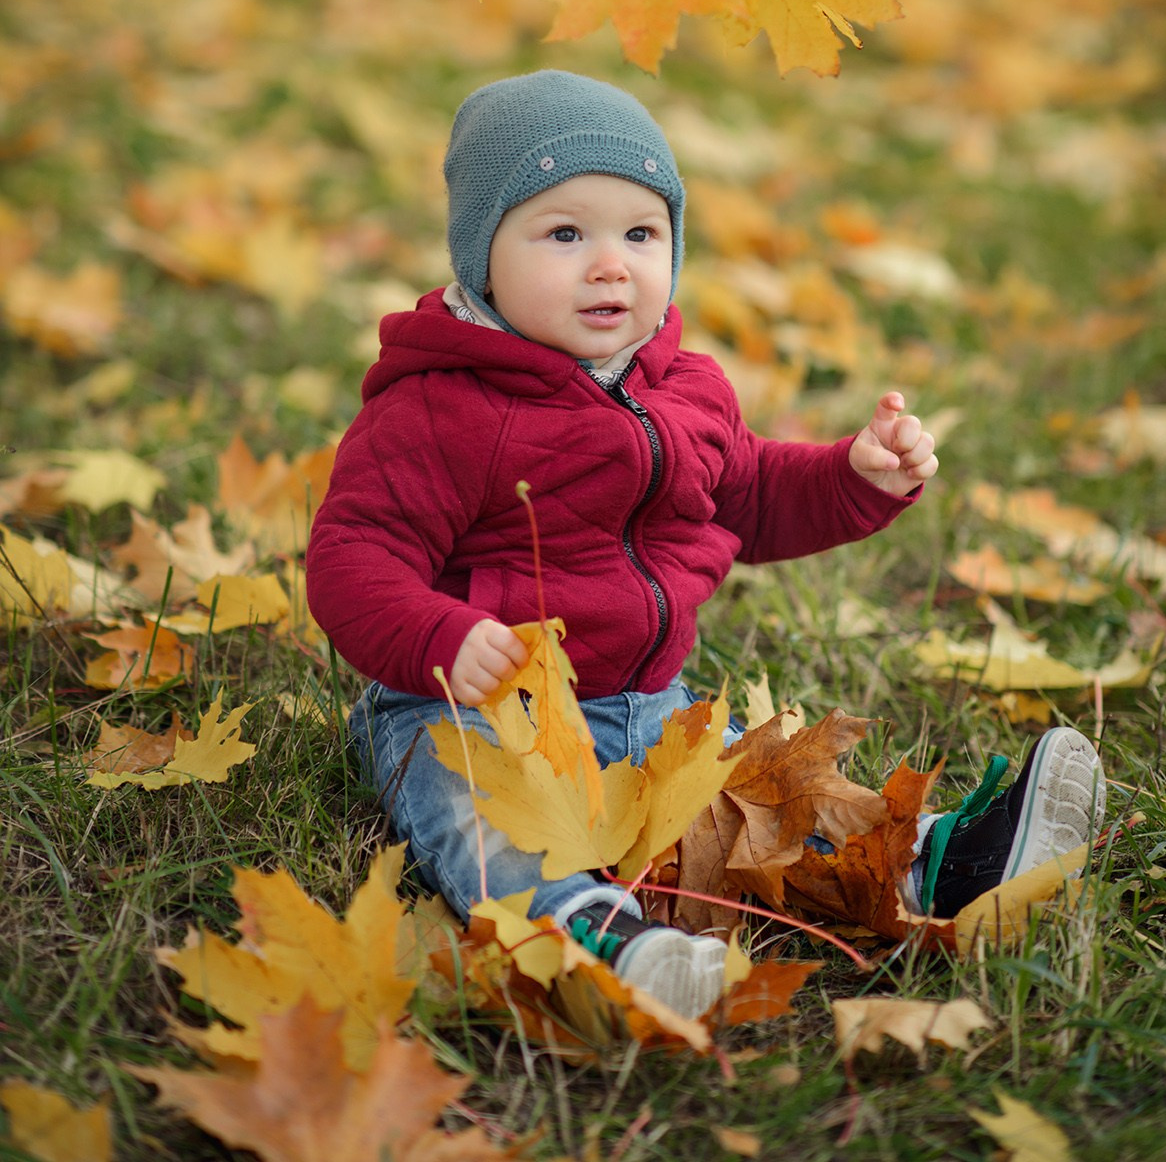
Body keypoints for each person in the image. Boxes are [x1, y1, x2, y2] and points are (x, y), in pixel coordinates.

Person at [306, 71, 1106, 1019]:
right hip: (479, 717)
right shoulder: (439, 408)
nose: (610, 266)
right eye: (564, 234)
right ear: (482, 257)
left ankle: (935, 862)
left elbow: (749, 496)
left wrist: (854, 476)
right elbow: (352, 555)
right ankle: (587, 942)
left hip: (647, 710)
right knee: (479, 817)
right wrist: (437, 636)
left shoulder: (679, 386)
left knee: (760, 798)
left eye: (640, 235)